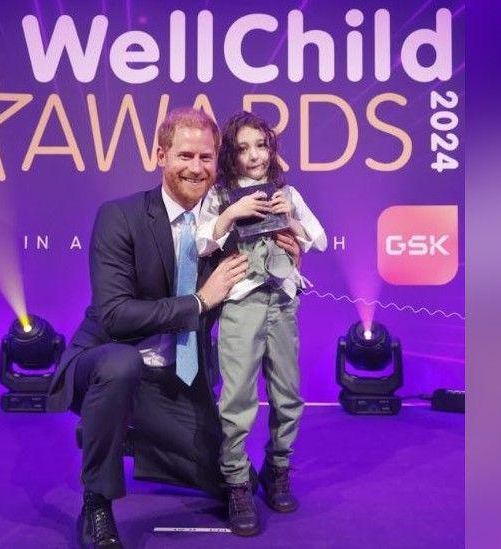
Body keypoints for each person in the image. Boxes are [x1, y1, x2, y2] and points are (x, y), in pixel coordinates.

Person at [44, 107, 304, 549]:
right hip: (106, 359)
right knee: (120, 365)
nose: (196, 168)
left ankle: (133, 432)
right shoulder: (119, 216)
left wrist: (289, 260)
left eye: (206, 157)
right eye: (185, 156)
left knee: (229, 483)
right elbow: (115, 316)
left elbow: (251, 298)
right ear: (160, 155)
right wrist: (200, 301)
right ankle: (97, 501)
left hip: (176, 377)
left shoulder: (231, 222)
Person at [196, 111, 327, 536]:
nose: (255, 155)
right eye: (244, 148)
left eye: (262, 145)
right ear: (231, 155)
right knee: (236, 400)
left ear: (272, 148)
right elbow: (202, 241)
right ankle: (236, 482)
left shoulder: (287, 192)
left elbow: (318, 238)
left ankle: (277, 468)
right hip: (242, 303)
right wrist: (234, 212)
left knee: (288, 394)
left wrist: (290, 219)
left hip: (284, 301)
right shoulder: (220, 195)